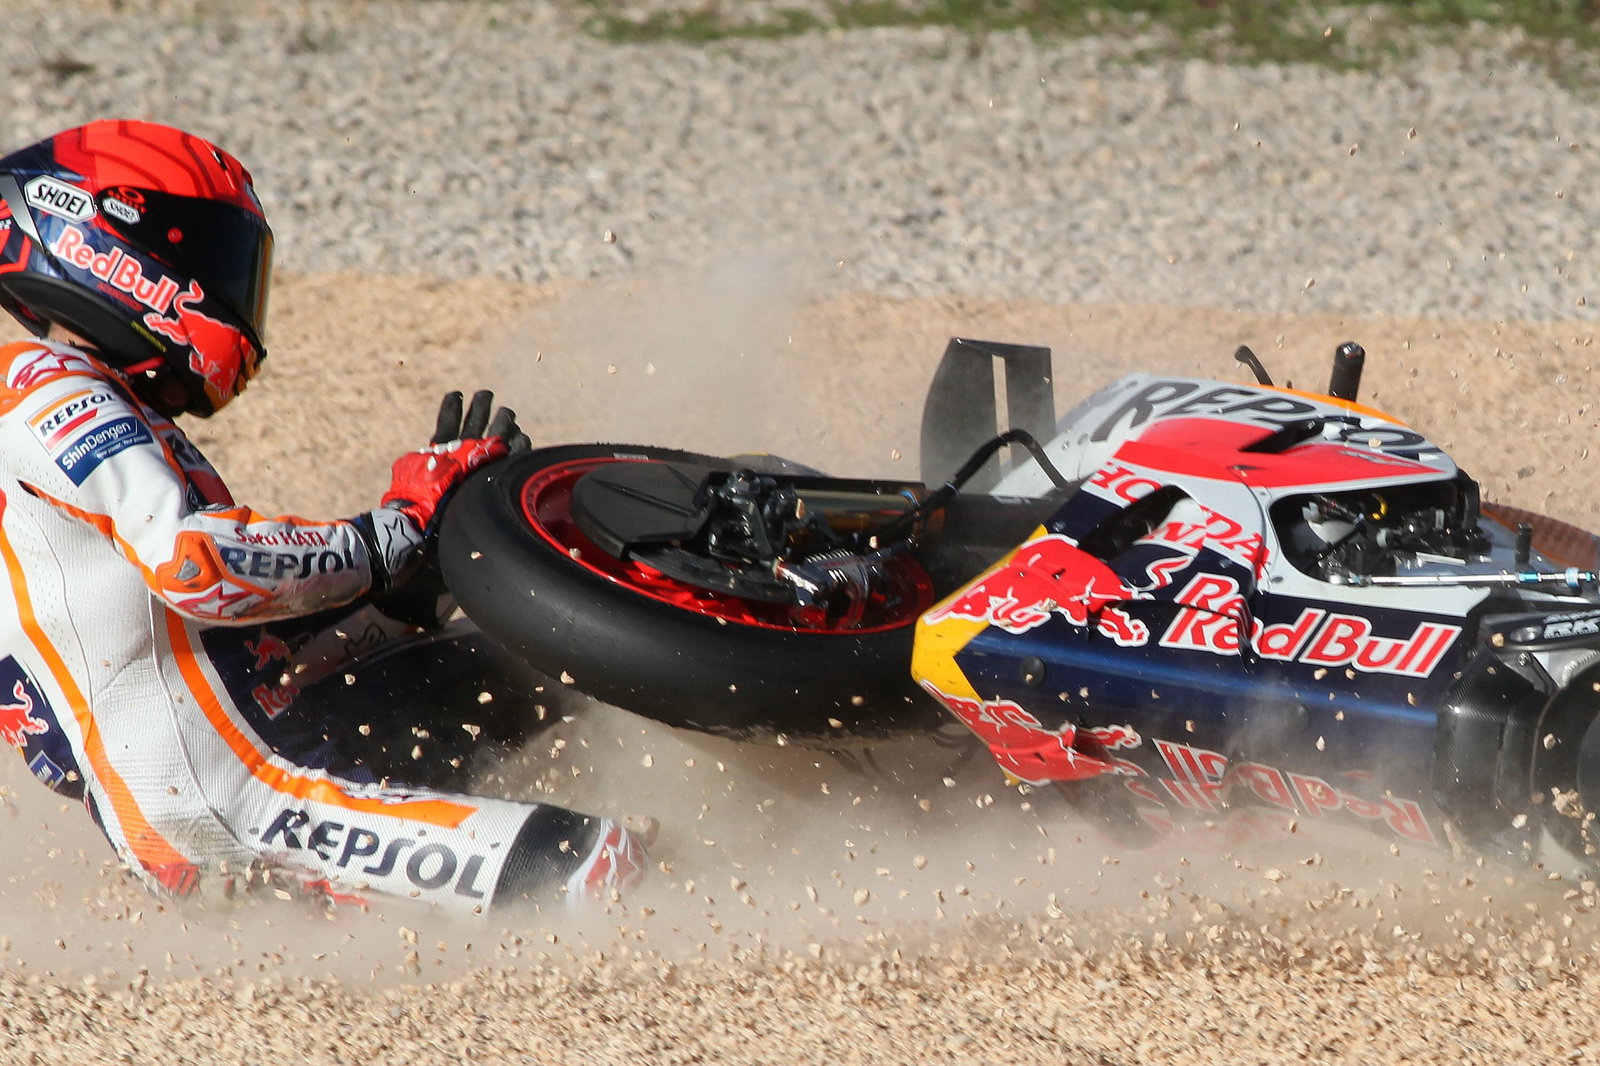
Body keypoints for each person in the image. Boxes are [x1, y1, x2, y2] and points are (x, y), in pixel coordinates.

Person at [0, 120, 647, 915]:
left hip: (248, 761)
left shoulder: (70, 419)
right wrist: (394, 531)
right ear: (110, 242)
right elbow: (199, 570)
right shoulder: (44, 388)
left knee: (549, 665)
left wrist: (397, 600)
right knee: (604, 870)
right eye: (207, 250)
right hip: (247, 797)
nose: (232, 287)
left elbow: (232, 662)